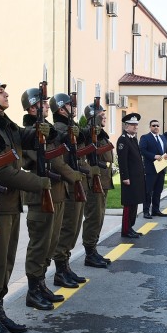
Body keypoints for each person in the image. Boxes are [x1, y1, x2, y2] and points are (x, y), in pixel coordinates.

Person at [0, 78, 51, 333]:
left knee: (5, 263)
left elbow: (25, 137)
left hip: (9, 205)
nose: (6, 94)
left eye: (5, 90)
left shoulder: (7, 126)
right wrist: (39, 183)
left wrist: (41, 126)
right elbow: (3, 171)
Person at [20, 89, 77, 311]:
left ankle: (41, 284)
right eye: (42, 103)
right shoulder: (28, 132)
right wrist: (73, 176)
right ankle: (33, 290)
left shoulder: (47, 130)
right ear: (32, 108)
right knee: (39, 244)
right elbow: (47, 160)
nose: (46, 106)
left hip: (56, 193)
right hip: (40, 195)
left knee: (51, 242)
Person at [49, 93, 89, 288]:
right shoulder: (58, 129)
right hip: (68, 183)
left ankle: (65, 266)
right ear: (60, 109)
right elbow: (60, 158)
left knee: (73, 227)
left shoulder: (71, 127)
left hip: (75, 180)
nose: (74, 108)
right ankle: (60, 269)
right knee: (67, 228)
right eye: (69, 105)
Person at [81, 102, 114, 267]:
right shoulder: (89, 133)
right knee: (93, 217)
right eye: (101, 114)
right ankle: (89, 252)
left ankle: (93, 250)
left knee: (99, 217)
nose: (105, 116)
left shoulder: (101, 134)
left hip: (103, 181)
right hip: (94, 182)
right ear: (93, 117)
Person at [116, 113, 145, 237]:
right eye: (133, 125)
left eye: (136, 124)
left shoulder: (133, 138)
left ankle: (131, 227)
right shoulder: (123, 140)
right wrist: (125, 177)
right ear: (126, 126)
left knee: (135, 203)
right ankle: (126, 230)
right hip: (129, 178)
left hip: (137, 178)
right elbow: (122, 161)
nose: (135, 127)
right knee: (129, 204)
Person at [138, 119, 167, 219]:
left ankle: (156, 210)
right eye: (153, 125)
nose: (156, 127)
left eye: (157, 125)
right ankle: (146, 211)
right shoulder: (145, 137)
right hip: (151, 169)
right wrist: (153, 156)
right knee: (148, 191)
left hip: (161, 168)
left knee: (158, 190)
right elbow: (142, 150)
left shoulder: (163, 138)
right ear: (150, 127)